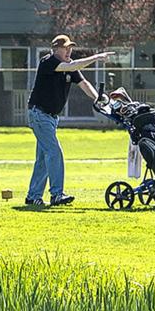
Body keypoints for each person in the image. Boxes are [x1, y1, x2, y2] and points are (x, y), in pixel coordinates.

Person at [25, 36, 112, 207]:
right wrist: (96, 57)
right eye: (66, 48)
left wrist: (98, 98)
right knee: (54, 153)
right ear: (56, 49)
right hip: (39, 114)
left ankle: (33, 196)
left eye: (70, 47)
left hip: (50, 118)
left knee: (44, 158)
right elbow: (72, 66)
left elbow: (83, 82)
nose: (69, 51)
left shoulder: (69, 65)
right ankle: (57, 194)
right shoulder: (48, 62)